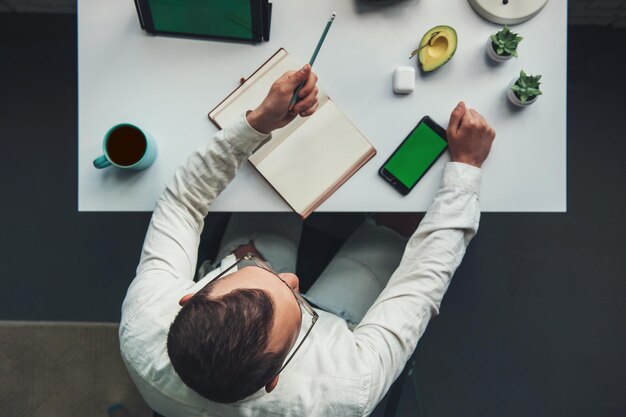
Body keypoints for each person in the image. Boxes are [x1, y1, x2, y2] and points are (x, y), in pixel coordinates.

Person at [120, 64, 495, 417]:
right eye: (295, 310)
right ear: (275, 379)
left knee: (281, 186)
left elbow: (183, 203)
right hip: (337, 328)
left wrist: (257, 123)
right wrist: (465, 171)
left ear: (186, 299)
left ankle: (266, 285)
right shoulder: (347, 388)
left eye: (250, 271)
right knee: (398, 230)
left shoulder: (145, 321)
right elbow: (421, 282)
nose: (289, 278)